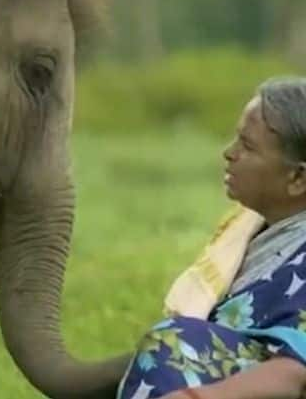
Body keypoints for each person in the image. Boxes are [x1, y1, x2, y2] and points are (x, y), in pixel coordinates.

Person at [117, 77, 306, 399]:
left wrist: (195, 397)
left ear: (298, 178)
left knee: (174, 343)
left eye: (247, 146)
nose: (229, 153)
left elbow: (294, 373)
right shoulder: (250, 231)